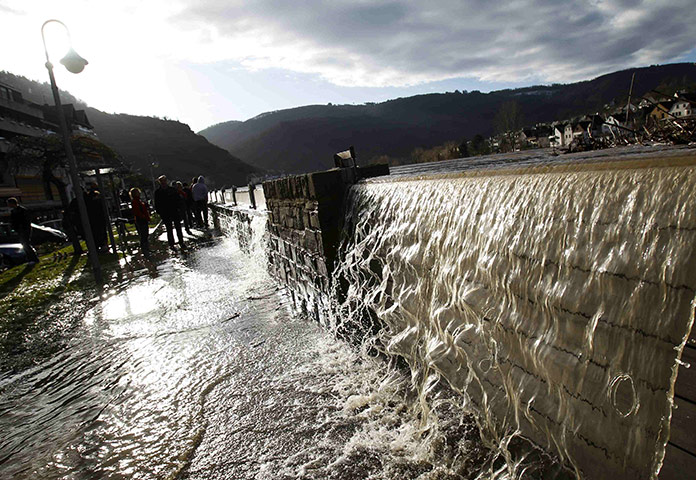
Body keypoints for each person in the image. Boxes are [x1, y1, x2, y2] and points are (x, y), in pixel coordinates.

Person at [154, 175, 185, 249]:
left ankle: (181, 241)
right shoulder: (158, 192)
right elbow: (157, 203)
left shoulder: (172, 190)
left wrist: (179, 209)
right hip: (165, 213)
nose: (163, 182)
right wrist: (160, 212)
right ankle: (171, 243)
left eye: (164, 181)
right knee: (169, 229)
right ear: (160, 182)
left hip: (174, 211)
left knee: (178, 227)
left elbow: (178, 199)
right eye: (162, 181)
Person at [8, 197, 39, 264]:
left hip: (25, 229)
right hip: (20, 230)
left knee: (26, 243)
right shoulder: (13, 212)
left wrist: (23, 227)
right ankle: (30, 258)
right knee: (24, 244)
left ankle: (33, 258)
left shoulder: (22, 210)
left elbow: (26, 220)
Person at [130, 187, 151, 257]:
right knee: (143, 234)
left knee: (145, 233)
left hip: (143, 219)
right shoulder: (135, 202)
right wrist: (143, 216)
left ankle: (146, 248)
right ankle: (144, 248)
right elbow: (137, 211)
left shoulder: (139, 201)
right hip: (141, 220)